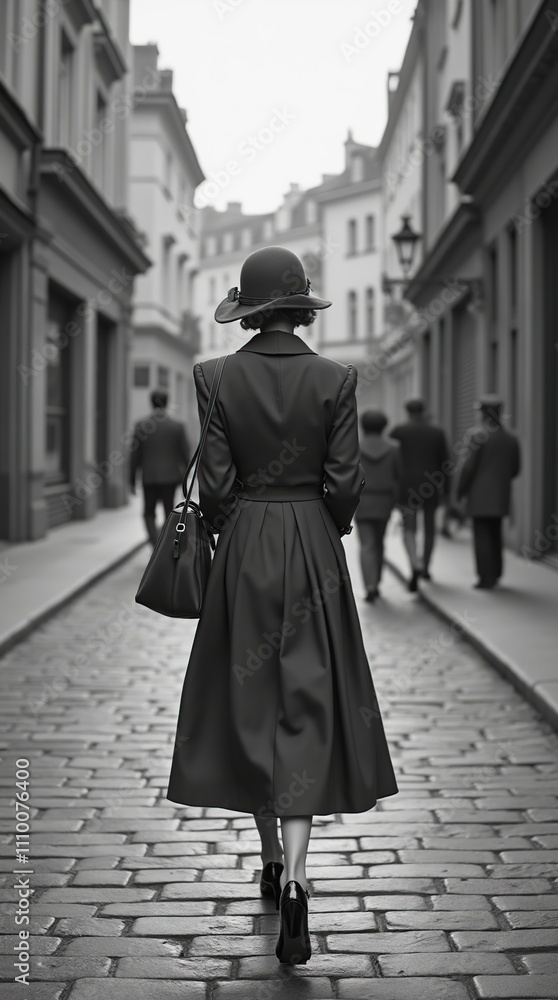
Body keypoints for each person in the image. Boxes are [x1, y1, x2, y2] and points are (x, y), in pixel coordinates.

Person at [165, 246, 399, 966]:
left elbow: (218, 482)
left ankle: (268, 860)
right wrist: (324, 526)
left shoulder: (214, 376)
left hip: (244, 549)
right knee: (304, 704)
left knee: (251, 703)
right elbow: (345, 484)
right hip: (314, 546)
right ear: (300, 308)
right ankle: (298, 880)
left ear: (250, 310)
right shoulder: (336, 378)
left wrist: (242, 528)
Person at [457, 394, 521, 588]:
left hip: (479, 495)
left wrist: (461, 491)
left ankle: (486, 577)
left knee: (482, 534)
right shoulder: (511, 438)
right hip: (501, 494)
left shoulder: (476, 435)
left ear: (483, 414)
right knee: (495, 532)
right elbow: (516, 468)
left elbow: (468, 468)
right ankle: (496, 572)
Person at [389, 398, 450, 591]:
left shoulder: (397, 432)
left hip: (406, 486)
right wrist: (447, 491)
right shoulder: (437, 433)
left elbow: (392, 462)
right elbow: (445, 464)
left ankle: (415, 563)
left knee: (409, 528)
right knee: (430, 528)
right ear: (424, 411)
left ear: (406, 411)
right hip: (430, 486)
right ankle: (426, 566)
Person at [129, 390, 192, 546]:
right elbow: (186, 455)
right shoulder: (177, 426)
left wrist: (131, 480)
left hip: (149, 477)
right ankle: (165, 544)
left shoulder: (140, 426)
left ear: (151, 403)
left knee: (148, 512)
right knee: (169, 512)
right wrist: (187, 478)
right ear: (167, 403)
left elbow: (134, 456)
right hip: (171, 478)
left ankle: (154, 544)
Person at [355, 409, 401, 602]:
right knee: (380, 541)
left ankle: (369, 585)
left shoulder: (355, 447)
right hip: (385, 500)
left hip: (362, 500)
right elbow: (399, 476)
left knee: (366, 544)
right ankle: (377, 580)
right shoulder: (394, 448)